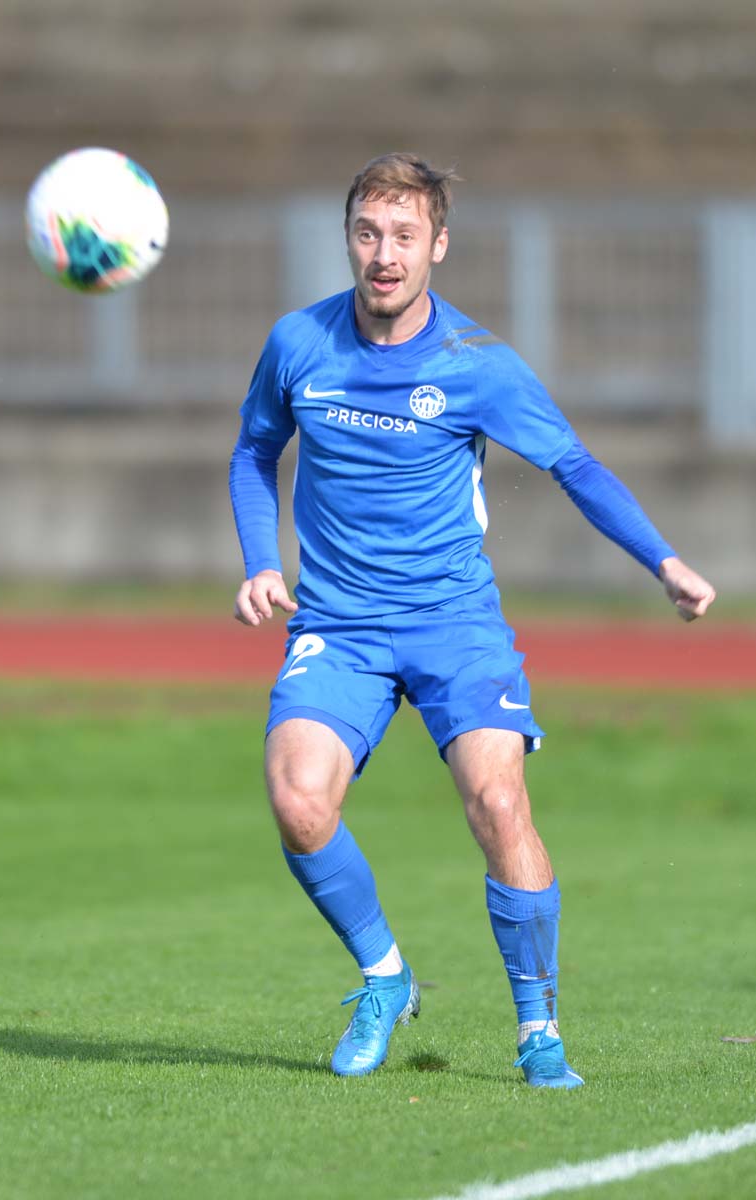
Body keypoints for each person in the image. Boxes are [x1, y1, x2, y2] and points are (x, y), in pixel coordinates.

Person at [228, 153, 715, 1088]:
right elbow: (253, 451)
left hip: (453, 623)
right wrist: (260, 562)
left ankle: (538, 1031)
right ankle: (385, 978)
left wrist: (662, 561)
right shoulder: (297, 343)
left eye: (404, 236)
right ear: (348, 239)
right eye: (368, 233)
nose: (384, 254)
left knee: (497, 803)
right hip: (340, 624)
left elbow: (574, 466)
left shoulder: (476, 365)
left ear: (437, 247)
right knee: (297, 799)